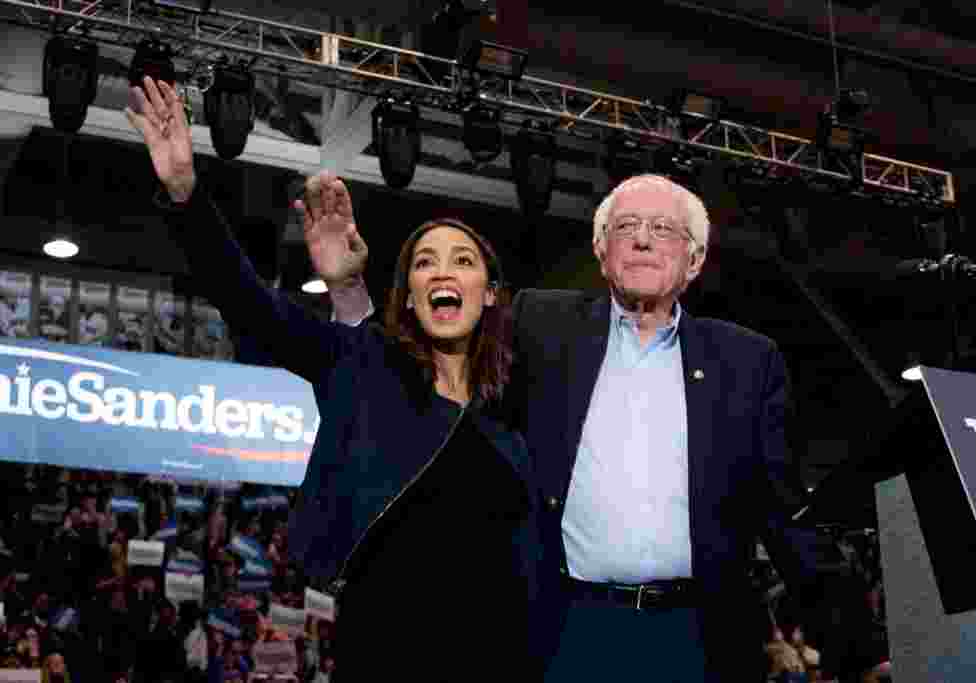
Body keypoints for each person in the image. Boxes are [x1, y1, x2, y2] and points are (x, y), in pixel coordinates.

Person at [306, 170, 820, 681]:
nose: (642, 239)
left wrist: (859, 647)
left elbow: (786, 514)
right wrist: (349, 291)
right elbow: (426, 363)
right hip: (567, 631)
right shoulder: (541, 324)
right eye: (626, 227)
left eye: (663, 229)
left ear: (695, 258)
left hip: (699, 637)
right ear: (601, 251)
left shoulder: (748, 361)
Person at [126, 76, 540, 681]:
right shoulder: (366, 372)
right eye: (423, 262)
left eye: (463, 260)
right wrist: (187, 195)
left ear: (491, 292)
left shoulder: (522, 406)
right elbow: (250, 306)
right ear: (409, 295)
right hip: (385, 654)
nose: (441, 271)